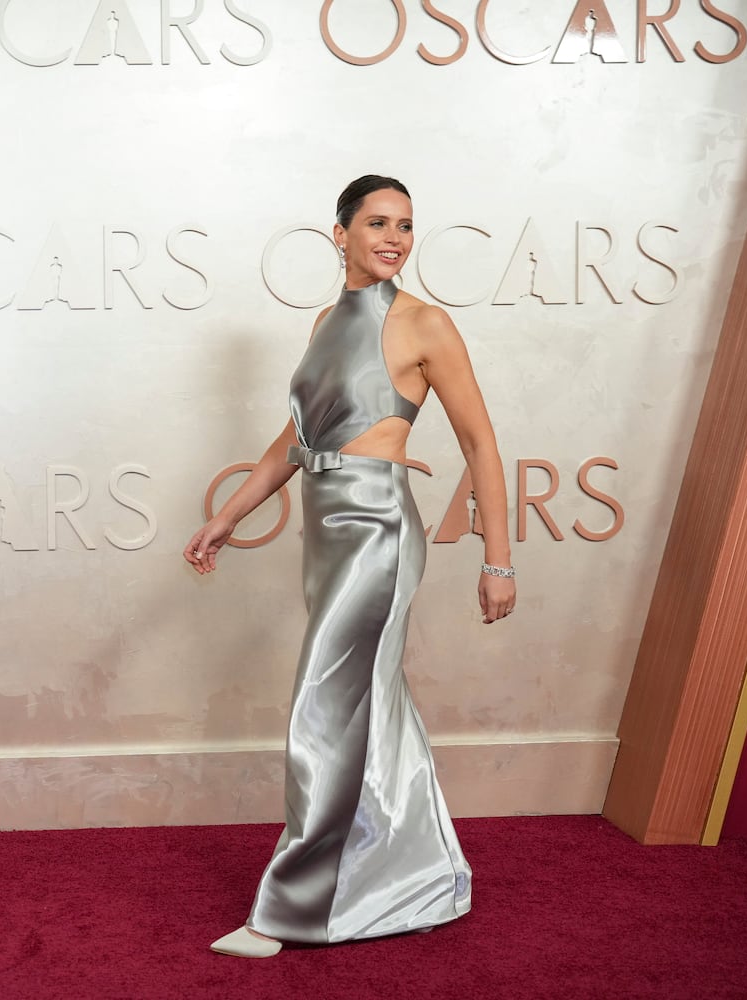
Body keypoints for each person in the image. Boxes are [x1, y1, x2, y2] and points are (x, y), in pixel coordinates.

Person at [185, 175, 516, 958]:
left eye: (405, 224)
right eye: (376, 222)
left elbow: (482, 445)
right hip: (324, 532)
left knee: (323, 708)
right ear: (340, 234)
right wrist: (230, 515)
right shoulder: (327, 320)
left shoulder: (426, 324)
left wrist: (498, 561)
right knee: (369, 705)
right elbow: (299, 439)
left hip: (376, 529)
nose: (394, 236)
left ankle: (289, 910)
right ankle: (419, 876)